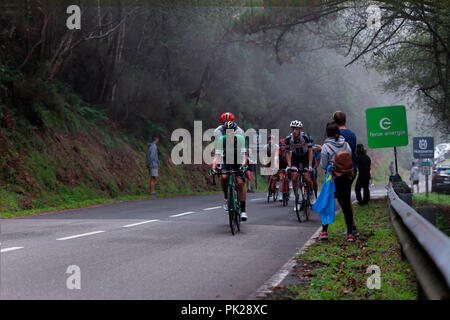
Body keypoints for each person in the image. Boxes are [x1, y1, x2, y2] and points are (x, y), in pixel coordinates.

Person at [319, 121, 357, 242]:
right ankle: (350, 234)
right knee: (346, 205)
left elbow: (323, 165)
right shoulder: (346, 145)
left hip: (332, 178)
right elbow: (349, 158)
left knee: (327, 203)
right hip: (346, 177)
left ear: (327, 133)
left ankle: (324, 232)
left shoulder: (326, 147)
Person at [211, 121, 248, 221]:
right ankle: (227, 198)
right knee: (224, 177)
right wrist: (213, 168)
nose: (229, 134)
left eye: (231, 132)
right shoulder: (221, 140)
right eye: (227, 132)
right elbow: (217, 156)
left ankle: (243, 211)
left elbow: (244, 156)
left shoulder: (240, 139)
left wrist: (243, 166)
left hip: (238, 161)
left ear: (235, 132)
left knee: (240, 182)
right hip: (227, 160)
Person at [285, 120, 315, 210]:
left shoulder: (305, 137)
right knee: (294, 177)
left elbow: (310, 151)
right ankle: (298, 200)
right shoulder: (288, 139)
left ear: (300, 130)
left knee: (307, 177)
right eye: (293, 129)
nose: (294, 131)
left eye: (296, 129)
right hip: (295, 157)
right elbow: (287, 153)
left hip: (305, 156)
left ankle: (312, 194)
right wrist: (289, 165)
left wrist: (310, 165)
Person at [333, 111, 357, 180]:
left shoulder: (334, 135)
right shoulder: (352, 134)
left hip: (338, 170)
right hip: (352, 168)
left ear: (334, 122)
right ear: (345, 121)